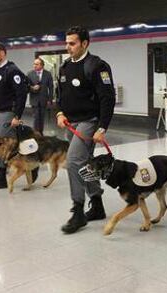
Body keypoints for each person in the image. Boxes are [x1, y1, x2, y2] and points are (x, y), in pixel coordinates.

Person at [57, 26, 116, 234]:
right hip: (70, 124)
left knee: (73, 161)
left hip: (89, 122)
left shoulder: (96, 66)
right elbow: (60, 96)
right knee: (85, 164)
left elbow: (108, 99)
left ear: (85, 43)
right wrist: (60, 113)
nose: (68, 47)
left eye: (72, 43)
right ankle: (98, 205)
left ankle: (78, 211)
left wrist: (102, 127)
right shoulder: (64, 67)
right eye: (67, 43)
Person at [0, 41, 28, 190]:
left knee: (9, 148)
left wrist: (17, 116)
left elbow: (21, 94)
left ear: (2, 53)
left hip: (7, 115)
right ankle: (1, 177)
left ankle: (29, 168)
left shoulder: (12, 71)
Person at [27, 57, 54, 135]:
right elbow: (26, 86)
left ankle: (41, 133)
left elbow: (51, 87)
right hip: (34, 99)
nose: (34, 66)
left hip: (43, 99)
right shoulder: (30, 73)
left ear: (42, 65)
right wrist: (32, 88)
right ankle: (35, 133)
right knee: (36, 117)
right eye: (34, 64)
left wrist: (50, 99)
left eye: (37, 64)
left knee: (41, 117)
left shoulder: (48, 74)